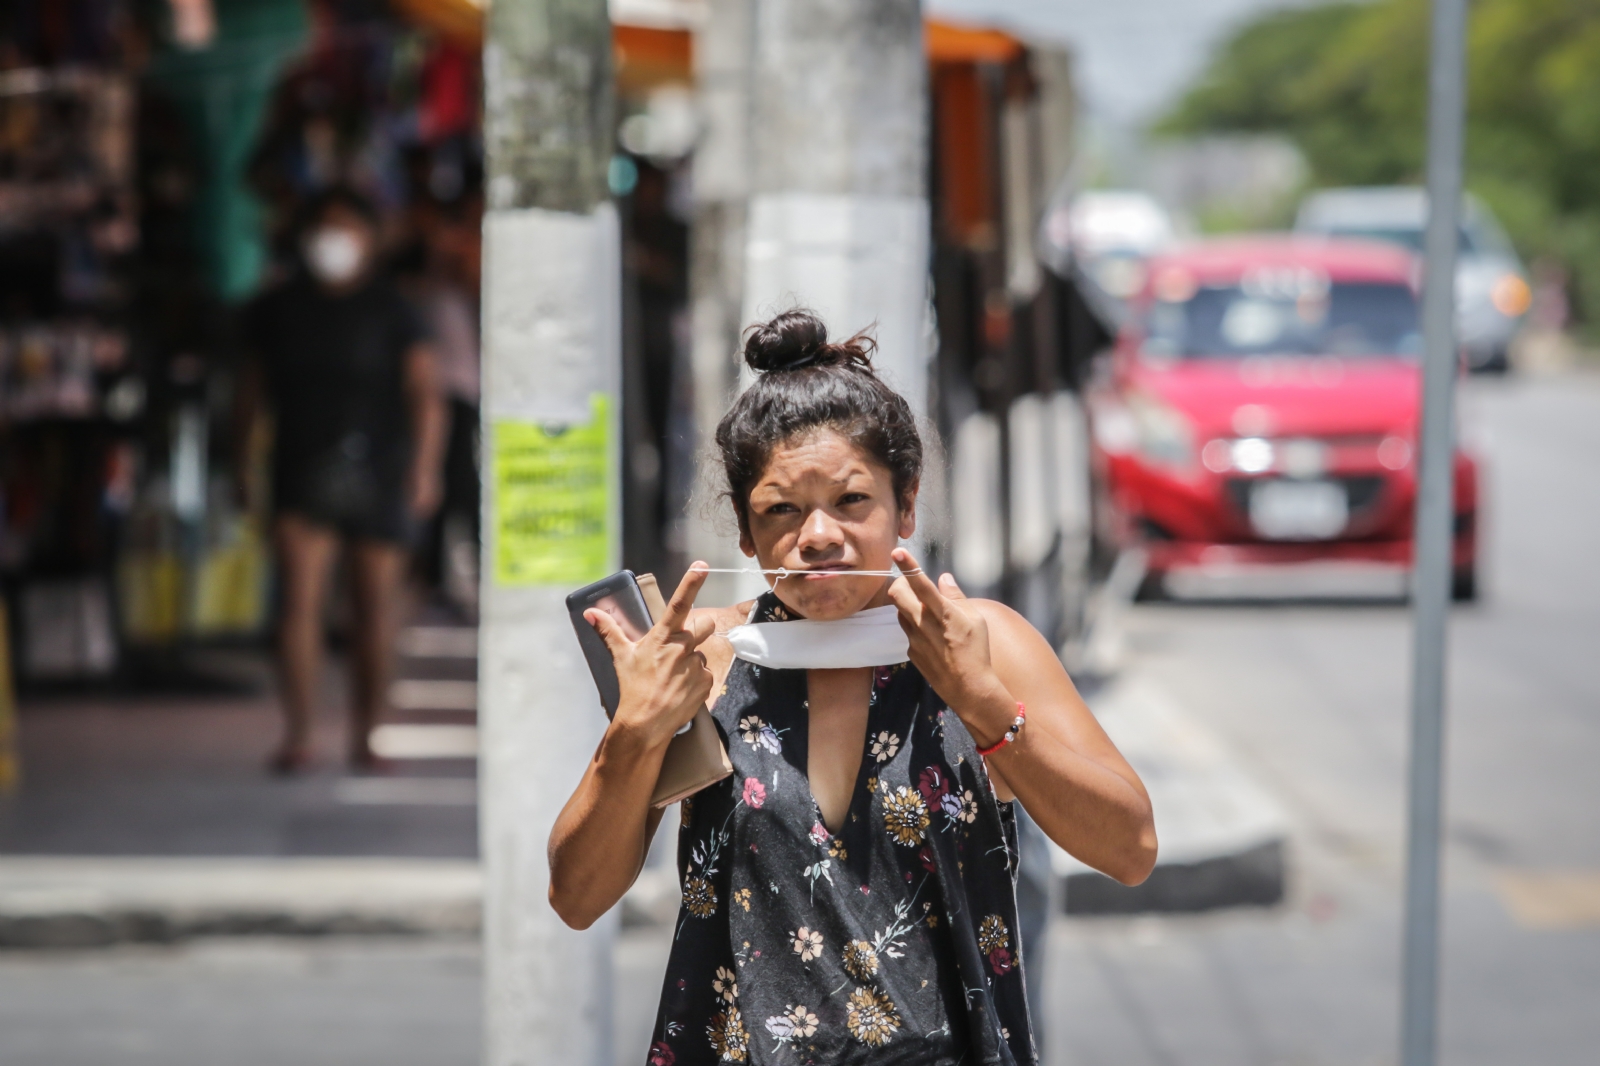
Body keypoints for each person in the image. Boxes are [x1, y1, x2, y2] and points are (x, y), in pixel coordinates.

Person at [549, 309, 1157, 1064]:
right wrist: (631, 735)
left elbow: (1130, 848)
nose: (818, 535)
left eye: (851, 501)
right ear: (745, 531)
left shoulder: (980, 645)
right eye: (781, 510)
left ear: (906, 504)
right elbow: (575, 898)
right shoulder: (697, 659)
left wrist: (984, 704)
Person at [239, 187, 446, 773]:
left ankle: (367, 735)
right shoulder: (276, 309)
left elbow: (426, 397)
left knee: (374, 612)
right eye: (322, 226)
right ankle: (299, 733)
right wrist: (240, 465)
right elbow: (250, 397)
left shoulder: (395, 309)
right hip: (299, 471)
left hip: (382, 473)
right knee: (298, 606)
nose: (332, 240)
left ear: (369, 238)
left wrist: (424, 471)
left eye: (345, 227)